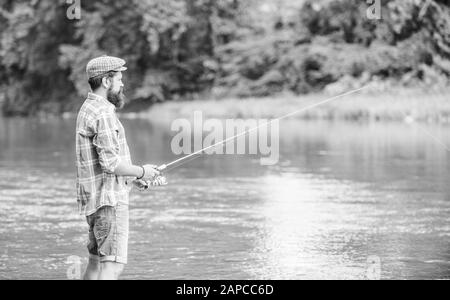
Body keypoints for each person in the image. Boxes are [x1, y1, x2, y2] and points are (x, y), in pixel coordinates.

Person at [75, 55, 160, 280]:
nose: (122, 84)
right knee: (112, 267)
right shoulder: (103, 112)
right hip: (109, 202)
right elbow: (111, 163)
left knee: (95, 264)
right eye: (119, 78)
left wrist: (133, 177)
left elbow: (104, 161)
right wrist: (142, 171)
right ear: (106, 81)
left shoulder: (87, 108)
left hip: (94, 203)